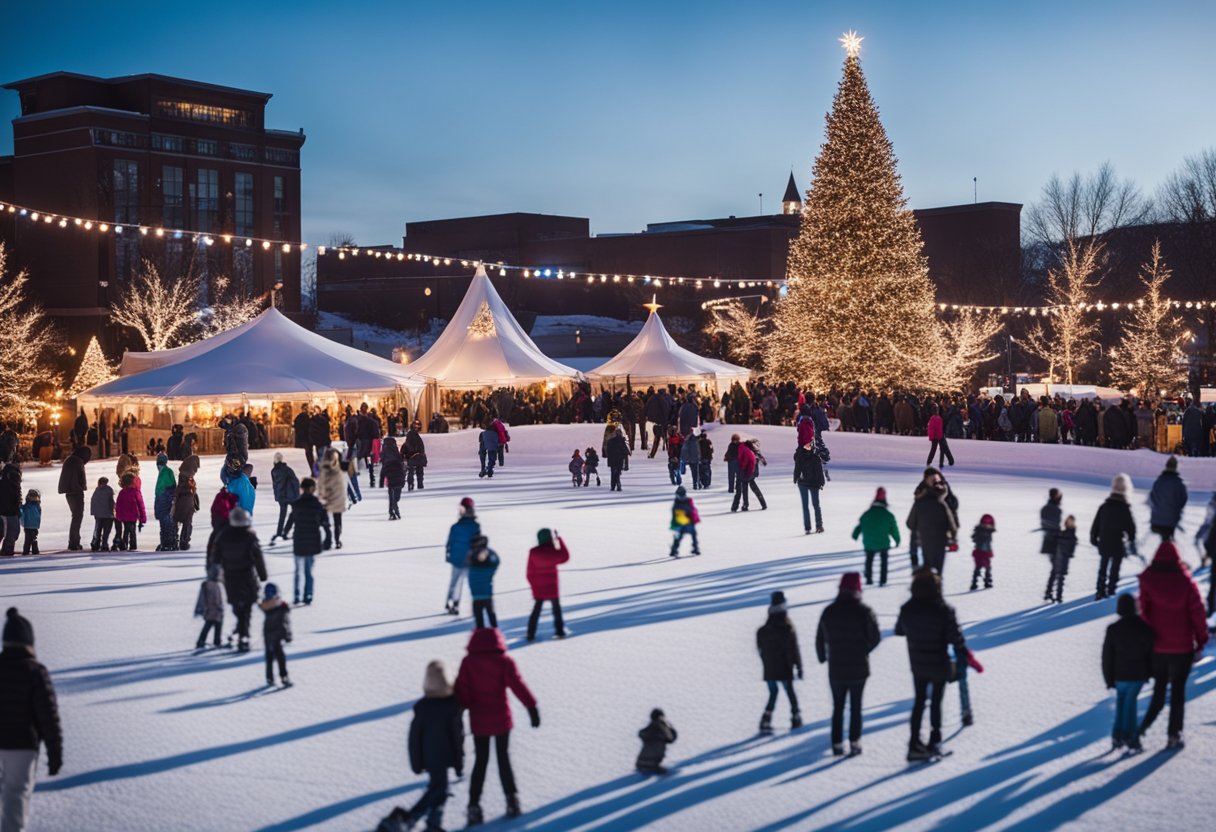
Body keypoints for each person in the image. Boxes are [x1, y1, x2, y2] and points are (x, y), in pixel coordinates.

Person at [455, 628, 539, 826]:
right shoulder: (504, 661)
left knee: (480, 762)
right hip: (501, 720)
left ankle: (473, 806)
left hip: (479, 721)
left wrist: (460, 711)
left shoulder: (468, 663)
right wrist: (531, 707)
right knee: (504, 759)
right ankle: (512, 800)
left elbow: (463, 693)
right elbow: (518, 685)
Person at [1137, 541, 1209, 748]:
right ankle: (1174, 734)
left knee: (1159, 691)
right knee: (1178, 692)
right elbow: (1197, 613)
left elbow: (1144, 612)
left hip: (1158, 647)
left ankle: (1140, 730)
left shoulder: (1148, 580)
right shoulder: (1186, 582)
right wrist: (1201, 639)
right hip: (1182, 647)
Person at [380, 661, 465, 832]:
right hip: (444, 757)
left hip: (429, 758)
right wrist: (459, 763)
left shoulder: (423, 709)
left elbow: (414, 740)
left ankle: (434, 823)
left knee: (440, 789)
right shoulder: (452, 708)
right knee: (438, 789)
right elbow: (457, 738)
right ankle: (411, 818)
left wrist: (416, 763)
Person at [0, 608, 63, 830]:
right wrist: (55, 753)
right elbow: (48, 716)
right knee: (16, 795)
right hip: (22, 746)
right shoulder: (36, 671)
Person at [895, 569, 967, 761]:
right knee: (936, 702)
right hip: (939, 663)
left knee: (919, 702)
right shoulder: (943, 610)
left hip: (917, 664)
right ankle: (935, 741)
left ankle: (914, 744)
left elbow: (899, 630)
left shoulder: (907, 609)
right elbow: (955, 638)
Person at [815, 573, 880, 755]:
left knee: (838, 707)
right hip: (859, 666)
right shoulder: (864, 611)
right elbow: (875, 637)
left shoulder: (829, 611)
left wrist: (823, 657)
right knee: (856, 707)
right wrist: (864, 650)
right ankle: (854, 741)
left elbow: (819, 638)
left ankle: (836, 743)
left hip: (836, 667)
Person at [206, 506, 267, 653]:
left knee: (236, 604)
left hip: (230, 576)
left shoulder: (224, 535)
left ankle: (241, 630)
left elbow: (215, 556)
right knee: (247, 605)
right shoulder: (249, 535)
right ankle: (243, 633)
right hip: (247, 576)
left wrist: (214, 571)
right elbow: (258, 557)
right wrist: (262, 574)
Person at [1102, 593, 1155, 752]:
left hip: (1119, 675)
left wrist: (1108, 678)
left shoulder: (1113, 629)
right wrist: (1150, 671)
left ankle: (1118, 734)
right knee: (1130, 703)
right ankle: (1130, 735)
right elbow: (1150, 653)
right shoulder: (1144, 628)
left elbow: (1107, 657)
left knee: (1122, 702)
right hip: (1138, 674)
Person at [756, 590, 803, 733]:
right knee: (790, 692)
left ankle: (766, 718)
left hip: (769, 667)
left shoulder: (763, 630)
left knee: (773, 692)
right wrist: (798, 666)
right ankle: (795, 716)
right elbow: (793, 649)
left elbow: (760, 649)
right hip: (784, 666)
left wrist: (766, 661)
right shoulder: (787, 628)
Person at [283, 478, 331, 606]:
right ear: (311, 488)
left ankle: (297, 595)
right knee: (308, 570)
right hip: (312, 540)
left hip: (299, 540)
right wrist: (328, 538)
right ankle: (308, 594)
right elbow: (325, 522)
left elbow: (291, 519)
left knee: (298, 570)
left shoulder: (297, 503)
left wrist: (285, 532)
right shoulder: (317, 504)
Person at [1091, 474, 1137, 601]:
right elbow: (1131, 527)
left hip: (1104, 540)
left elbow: (1096, 523)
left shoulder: (1104, 507)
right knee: (1115, 567)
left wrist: (1093, 537)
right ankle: (1111, 588)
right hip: (1118, 542)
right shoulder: (1125, 509)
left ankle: (1100, 589)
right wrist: (1131, 539)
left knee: (1103, 565)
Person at [907, 471, 956, 575]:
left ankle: (929, 585)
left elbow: (910, 524)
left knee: (928, 565)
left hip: (925, 538)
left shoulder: (920, 502)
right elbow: (952, 525)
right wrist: (952, 537)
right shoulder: (941, 503)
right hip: (940, 539)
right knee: (937, 569)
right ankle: (935, 585)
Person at [526, 529, 569, 641]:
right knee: (556, 610)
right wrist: (559, 540)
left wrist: (533, 586)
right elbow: (565, 557)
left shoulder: (533, 552)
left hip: (539, 587)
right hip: (552, 586)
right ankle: (559, 631)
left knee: (536, 610)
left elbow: (529, 573)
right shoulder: (553, 552)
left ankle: (530, 633)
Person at [853, 488, 900, 586]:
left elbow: (860, 525)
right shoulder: (888, 515)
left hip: (869, 543)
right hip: (883, 543)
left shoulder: (867, 514)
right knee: (884, 562)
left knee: (869, 560)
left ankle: (869, 579)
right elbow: (894, 530)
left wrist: (855, 535)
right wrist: (897, 540)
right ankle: (883, 580)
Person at [445, 498, 479, 616]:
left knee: (455, 581)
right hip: (468, 557)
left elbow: (449, 542)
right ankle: (473, 605)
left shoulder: (456, 527)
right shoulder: (475, 526)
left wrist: (448, 554)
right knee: (470, 582)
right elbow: (478, 544)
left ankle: (452, 601)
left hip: (458, 557)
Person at [57, 445, 90, 551]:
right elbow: (81, 477)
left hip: (68, 492)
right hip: (76, 492)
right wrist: (82, 487)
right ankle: (74, 542)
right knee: (77, 517)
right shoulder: (78, 462)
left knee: (75, 516)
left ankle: (74, 541)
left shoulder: (69, 460)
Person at [260, 583, 293, 688]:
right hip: (276, 637)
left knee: (269, 657)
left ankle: (269, 677)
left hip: (268, 636)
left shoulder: (266, 607)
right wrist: (288, 636)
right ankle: (283, 676)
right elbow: (285, 624)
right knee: (280, 657)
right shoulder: (281, 609)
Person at [1148, 456, 1187, 541]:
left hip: (1156, 520)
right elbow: (1183, 500)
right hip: (1171, 521)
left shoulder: (1158, 481)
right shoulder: (1179, 484)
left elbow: (1152, 498)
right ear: (1176, 467)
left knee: (1164, 540)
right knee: (1167, 540)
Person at [793, 440, 826, 534]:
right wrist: (796, 477)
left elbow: (819, 471)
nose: (808, 446)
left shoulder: (813, 458)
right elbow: (797, 466)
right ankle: (812, 527)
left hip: (812, 483)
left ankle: (817, 526)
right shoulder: (802, 456)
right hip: (806, 483)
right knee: (809, 506)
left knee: (814, 505)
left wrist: (821, 482)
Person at [316, 449, 347, 549]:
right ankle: (333, 540)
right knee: (332, 521)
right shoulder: (333, 469)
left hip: (332, 498)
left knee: (329, 521)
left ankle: (332, 540)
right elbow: (322, 484)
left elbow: (321, 484)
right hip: (333, 498)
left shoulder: (328, 468)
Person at [467, 535, 500, 628]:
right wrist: (488, 550)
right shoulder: (489, 569)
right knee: (492, 617)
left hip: (475, 597)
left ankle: (480, 637)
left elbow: (469, 557)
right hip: (487, 595)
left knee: (479, 620)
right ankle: (496, 636)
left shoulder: (471, 569)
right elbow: (496, 561)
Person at [1044, 515, 1078, 604]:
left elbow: (1071, 549)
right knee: (1058, 576)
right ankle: (1055, 595)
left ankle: (1052, 594)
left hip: (1061, 557)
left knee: (1057, 575)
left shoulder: (1065, 534)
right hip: (1060, 557)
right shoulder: (1064, 534)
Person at [268, 453, 301, 544]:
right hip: (290, 496)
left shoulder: (273, 471)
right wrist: (298, 494)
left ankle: (279, 532)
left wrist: (277, 495)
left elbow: (275, 485)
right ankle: (287, 531)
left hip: (281, 497)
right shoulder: (287, 470)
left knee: (282, 515)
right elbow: (295, 482)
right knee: (294, 513)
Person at [636, 709, 678, 775]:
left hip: (640, 763)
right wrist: (670, 727)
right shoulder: (661, 730)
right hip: (652, 765)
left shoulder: (649, 728)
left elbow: (641, 733)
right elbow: (671, 739)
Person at [194, 564, 226, 650]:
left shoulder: (209, 584)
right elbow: (214, 598)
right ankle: (215, 641)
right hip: (214, 610)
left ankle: (204, 640)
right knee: (214, 624)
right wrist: (218, 607)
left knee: (210, 624)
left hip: (212, 610)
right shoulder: (212, 585)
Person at [114, 471, 146, 551]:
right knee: (132, 530)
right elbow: (140, 505)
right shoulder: (135, 492)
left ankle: (124, 544)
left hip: (124, 516)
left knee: (126, 530)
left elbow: (118, 505)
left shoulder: (122, 492)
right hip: (133, 515)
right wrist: (143, 517)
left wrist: (118, 515)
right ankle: (132, 545)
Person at [153, 454, 177, 552]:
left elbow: (170, 488)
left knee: (166, 524)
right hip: (162, 503)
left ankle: (168, 543)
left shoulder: (166, 472)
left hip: (165, 503)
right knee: (164, 524)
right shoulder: (164, 472)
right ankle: (165, 542)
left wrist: (166, 501)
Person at [669, 485, 701, 557]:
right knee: (693, 535)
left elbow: (674, 511)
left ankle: (674, 550)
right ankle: (695, 548)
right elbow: (692, 510)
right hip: (688, 522)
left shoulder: (677, 501)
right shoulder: (688, 500)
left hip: (680, 521)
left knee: (678, 536)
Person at [380, 438, 406, 521]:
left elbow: (383, 468)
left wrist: (381, 481)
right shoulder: (395, 451)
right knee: (397, 494)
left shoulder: (384, 453)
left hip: (390, 475)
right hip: (398, 474)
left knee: (391, 494)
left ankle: (392, 511)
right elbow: (402, 462)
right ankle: (394, 507)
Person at [171, 473, 199, 551]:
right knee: (187, 524)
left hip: (179, 508)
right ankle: (184, 542)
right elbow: (194, 496)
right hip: (188, 507)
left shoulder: (180, 486)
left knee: (175, 522)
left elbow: (175, 495)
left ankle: (173, 540)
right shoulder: (191, 485)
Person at [970, 514, 996, 591]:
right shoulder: (979, 531)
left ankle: (987, 582)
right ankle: (974, 583)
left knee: (987, 568)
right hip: (979, 553)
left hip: (986, 552)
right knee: (978, 567)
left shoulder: (989, 532)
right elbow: (974, 538)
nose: (987, 526)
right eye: (985, 524)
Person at [89, 476, 116, 552]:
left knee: (98, 529)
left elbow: (93, 502)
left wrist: (94, 512)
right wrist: (113, 511)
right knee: (106, 530)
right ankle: (104, 544)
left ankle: (96, 544)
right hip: (107, 514)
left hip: (98, 515)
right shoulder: (109, 490)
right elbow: (111, 502)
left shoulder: (96, 491)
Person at [0, 464, 19, 557]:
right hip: (7, 512)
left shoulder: (14, 485)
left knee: (13, 531)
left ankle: (7, 549)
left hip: (11, 512)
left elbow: (17, 498)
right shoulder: (5, 484)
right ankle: (7, 549)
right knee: (11, 531)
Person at [1039, 488, 1063, 560]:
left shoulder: (1045, 508)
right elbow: (1053, 527)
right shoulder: (1054, 509)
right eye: (1058, 495)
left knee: (1056, 567)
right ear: (1055, 496)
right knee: (1057, 568)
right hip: (1053, 542)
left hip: (1050, 540)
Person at [404, 420, 427, 491]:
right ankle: (416, 484)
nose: (417, 427)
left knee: (414, 470)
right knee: (414, 470)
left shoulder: (414, 435)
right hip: (413, 456)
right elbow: (409, 445)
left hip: (414, 456)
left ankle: (416, 484)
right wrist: (415, 452)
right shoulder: (411, 435)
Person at [19, 490, 40, 556]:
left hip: (34, 526)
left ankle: (34, 550)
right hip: (28, 526)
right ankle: (27, 551)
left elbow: (39, 515)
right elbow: (21, 511)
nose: (34, 498)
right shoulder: (26, 506)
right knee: (28, 539)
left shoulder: (37, 506)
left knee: (33, 539)